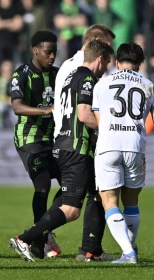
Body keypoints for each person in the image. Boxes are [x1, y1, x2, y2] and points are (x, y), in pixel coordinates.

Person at [9, 40, 114, 263]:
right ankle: (26, 238)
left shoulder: (68, 77)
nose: (107, 69)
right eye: (107, 64)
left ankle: (90, 249)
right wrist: (111, 128)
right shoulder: (87, 78)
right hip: (77, 148)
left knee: (98, 190)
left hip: (65, 144)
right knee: (71, 209)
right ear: (100, 59)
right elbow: (85, 116)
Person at [92, 42, 154, 264]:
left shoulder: (101, 84)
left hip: (108, 146)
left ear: (116, 63)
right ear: (140, 64)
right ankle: (130, 248)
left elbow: (98, 120)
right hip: (135, 146)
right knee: (131, 202)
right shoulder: (151, 86)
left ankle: (128, 252)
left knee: (109, 201)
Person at [53, 24, 116, 262]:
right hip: (76, 139)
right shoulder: (84, 71)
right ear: (97, 43)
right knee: (73, 202)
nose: (111, 54)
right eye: (108, 47)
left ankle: (90, 249)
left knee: (91, 191)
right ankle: (34, 236)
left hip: (68, 137)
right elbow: (82, 111)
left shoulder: (69, 67)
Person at [9, 30, 62, 258]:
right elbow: (17, 106)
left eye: (54, 52)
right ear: (35, 50)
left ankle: (42, 232)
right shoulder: (22, 74)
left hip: (54, 139)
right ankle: (39, 239)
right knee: (43, 185)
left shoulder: (59, 75)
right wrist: (45, 110)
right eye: (48, 52)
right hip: (29, 138)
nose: (52, 57)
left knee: (72, 185)